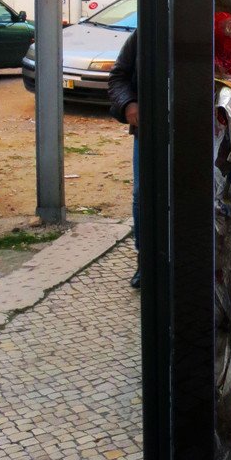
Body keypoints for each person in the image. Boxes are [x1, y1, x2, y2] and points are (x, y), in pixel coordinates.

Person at [108, 28, 140, 288]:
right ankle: (146, 259)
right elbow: (119, 76)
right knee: (143, 195)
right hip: (149, 134)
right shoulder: (144, 34)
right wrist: (128, 104)